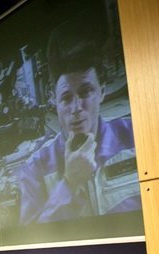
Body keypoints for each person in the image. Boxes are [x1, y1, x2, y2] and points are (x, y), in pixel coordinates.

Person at [18, 10, 141, 225]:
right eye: (66, 97)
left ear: (102, 91)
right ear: (52, 99)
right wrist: (69, 183)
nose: (76, 108)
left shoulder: (136, 137)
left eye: (85, 92)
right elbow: (31, 244)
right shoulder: (35, 169)